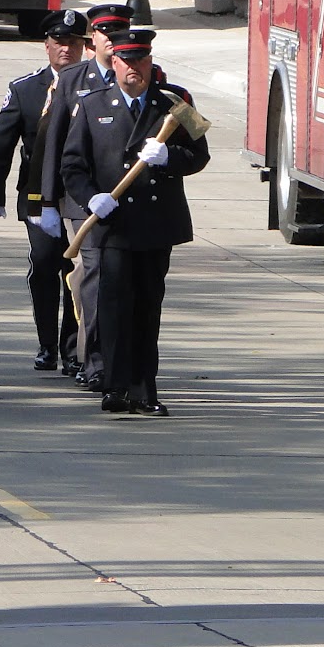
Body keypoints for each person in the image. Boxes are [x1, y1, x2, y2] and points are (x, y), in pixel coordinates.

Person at [59, 28, 209, 416]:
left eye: (141, 61)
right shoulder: (93, 105)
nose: (134, 69)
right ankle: (115, 386)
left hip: (155, 223)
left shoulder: (174, 105)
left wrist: (169, 158)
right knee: (112, 307)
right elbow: (73, 165)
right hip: (113, 225)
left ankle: (144, 389)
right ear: (116, 63)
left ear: (150, 64)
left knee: (146, 307)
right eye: (127, 61)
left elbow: (200, 154)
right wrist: (90, 196)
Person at [34, 2, 134, 388]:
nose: (112, 42)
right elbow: (53, 145)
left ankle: (122, 361)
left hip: (130, 203)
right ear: (94, 39)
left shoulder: (144, 78)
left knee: (124, 284)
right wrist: (47, 202)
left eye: (119, 34)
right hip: (81, 202)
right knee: (91, 279)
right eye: (106, 34)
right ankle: (95, 364)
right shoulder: (73, 80)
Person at [0, 9, 88, 373]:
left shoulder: (94, 88)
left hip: (78, 194)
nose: (66, 50)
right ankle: (47, 344)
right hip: (35, 191)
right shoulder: (25, 89)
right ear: (46, 46)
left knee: (77, 270)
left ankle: (73, 350)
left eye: (74, 43)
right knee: (45, 264)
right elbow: (2, 144)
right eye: (60, 42)